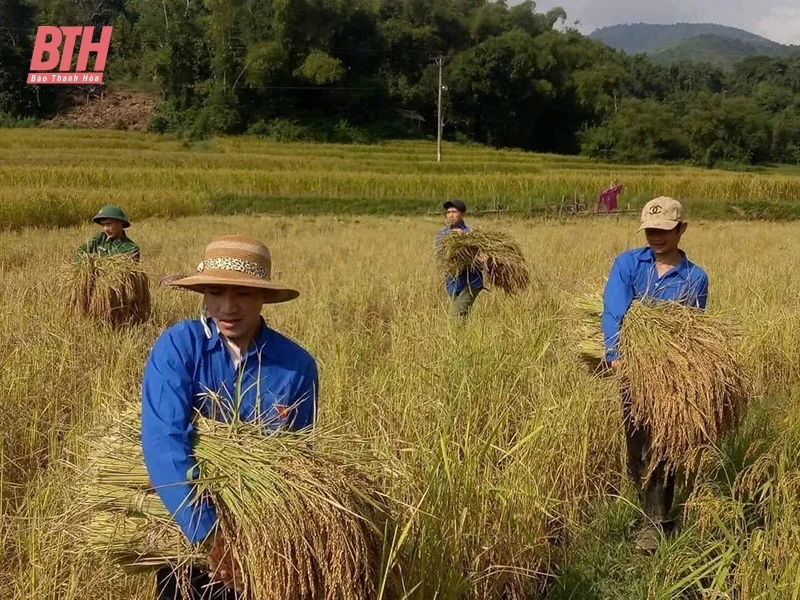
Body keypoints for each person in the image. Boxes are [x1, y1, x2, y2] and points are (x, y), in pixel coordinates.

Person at [141, 235, 319, 599]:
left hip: (261, 541)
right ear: (204, 296)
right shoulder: (180, 346)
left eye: (243, 294)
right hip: (186, 533)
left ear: (263, 297)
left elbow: (298, 461)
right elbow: (164, 440)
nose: (227, 307)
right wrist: (210, 536)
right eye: (217, 292)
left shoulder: (296, 367)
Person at [601, 197, 709, 554]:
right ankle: (651, 508)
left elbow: (692, 329)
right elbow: (613, 311)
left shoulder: (695, 278)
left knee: (666, 446)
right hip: (633, 372)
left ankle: (656, 522)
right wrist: (616, 355)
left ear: (682, 229)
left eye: (663, 231)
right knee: (637, 447)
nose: (656, 237)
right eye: (650, 230)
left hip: (672, 377)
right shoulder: (629, 264)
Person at [435, 199, 484, 318]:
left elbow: (479, 256)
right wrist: (452, 239)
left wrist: (464, 239)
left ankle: (455, 336)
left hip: (471, 282)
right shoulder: (442, 234)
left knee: (455, 315)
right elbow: (441, 254)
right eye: (448, 212)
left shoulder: (471, 233)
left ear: (462, 214)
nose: (450, 215)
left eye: (454, 212)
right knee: (463, 317)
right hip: (452, 282)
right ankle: (465, 336)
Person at [75, 205, 141, 261]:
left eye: (108, 224)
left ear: (121, 222)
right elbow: (80, 250)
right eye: (103, 225)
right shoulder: (100, 238)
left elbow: (123, 272)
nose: (105, 228)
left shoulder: (131, 248)